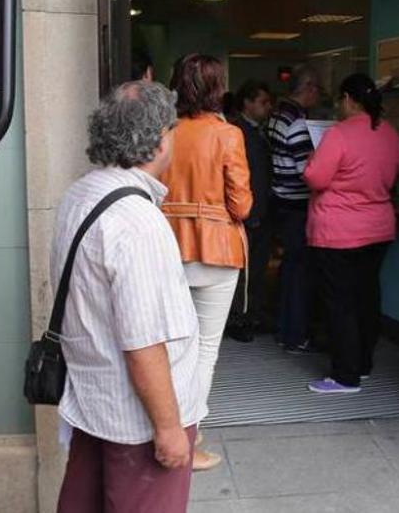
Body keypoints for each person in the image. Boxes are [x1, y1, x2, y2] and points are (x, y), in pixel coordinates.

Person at [54, 81, 204, 512]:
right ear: (159, 140)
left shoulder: (80, 194)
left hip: (92, 401)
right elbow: (143, 343)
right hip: (135, 422)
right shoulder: (137, 222)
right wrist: (170, 429)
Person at [160, 54, 253, 471]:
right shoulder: (227, 134)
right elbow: (242, 204)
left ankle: (161, 428)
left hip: (166, 246)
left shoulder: (161, 132)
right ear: (218, 88)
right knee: (205, 349)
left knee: (167, 345)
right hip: (216, 250)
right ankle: (187, 441)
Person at [303, 73, 399, 394]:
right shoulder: (389, 133)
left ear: (348, 99)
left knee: (340, 303)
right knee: (367, 296)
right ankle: (363, 365)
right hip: (378, 228)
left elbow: (316, 178)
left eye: (338, 100)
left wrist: (310, 162)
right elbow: (392, 174)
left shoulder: (339, 134)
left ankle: (345, 375)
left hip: (339, 232)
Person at [266, 64, 323, 354]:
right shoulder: (299, 123)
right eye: (317, 88)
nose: (319, 95)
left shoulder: (277, 114)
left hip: (280, 199)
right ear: (308, 87)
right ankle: (295, 334)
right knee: (300, 273)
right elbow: (308, 171)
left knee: (290, 269)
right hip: (297, 203)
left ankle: (284, 330)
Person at [227, 80, 275, 339]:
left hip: (262, 209)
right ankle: (238, 319)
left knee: (257, 268)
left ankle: (252, 314)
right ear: (247, 103)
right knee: (243, 271)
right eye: (263, 102)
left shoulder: (258, 131)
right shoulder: (238, 132)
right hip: (247, 210)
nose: (268, 108)